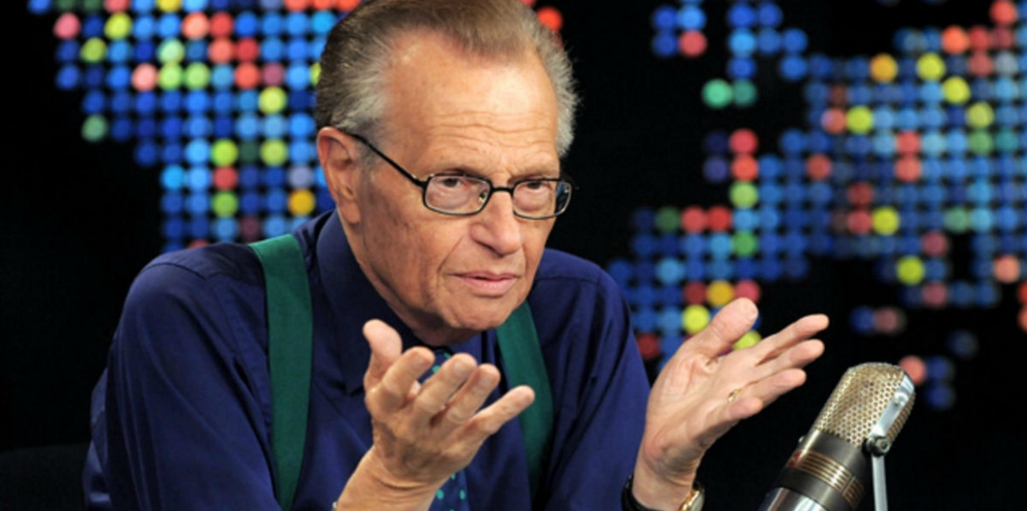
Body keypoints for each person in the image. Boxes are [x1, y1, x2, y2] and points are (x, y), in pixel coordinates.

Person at [84, 0, 828, 509]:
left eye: (532, 186)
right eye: (455, 183)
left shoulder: (574, 312)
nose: (505, 235)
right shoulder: (198, 315)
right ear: (346, 172)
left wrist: (659, 483)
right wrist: (395, 484)